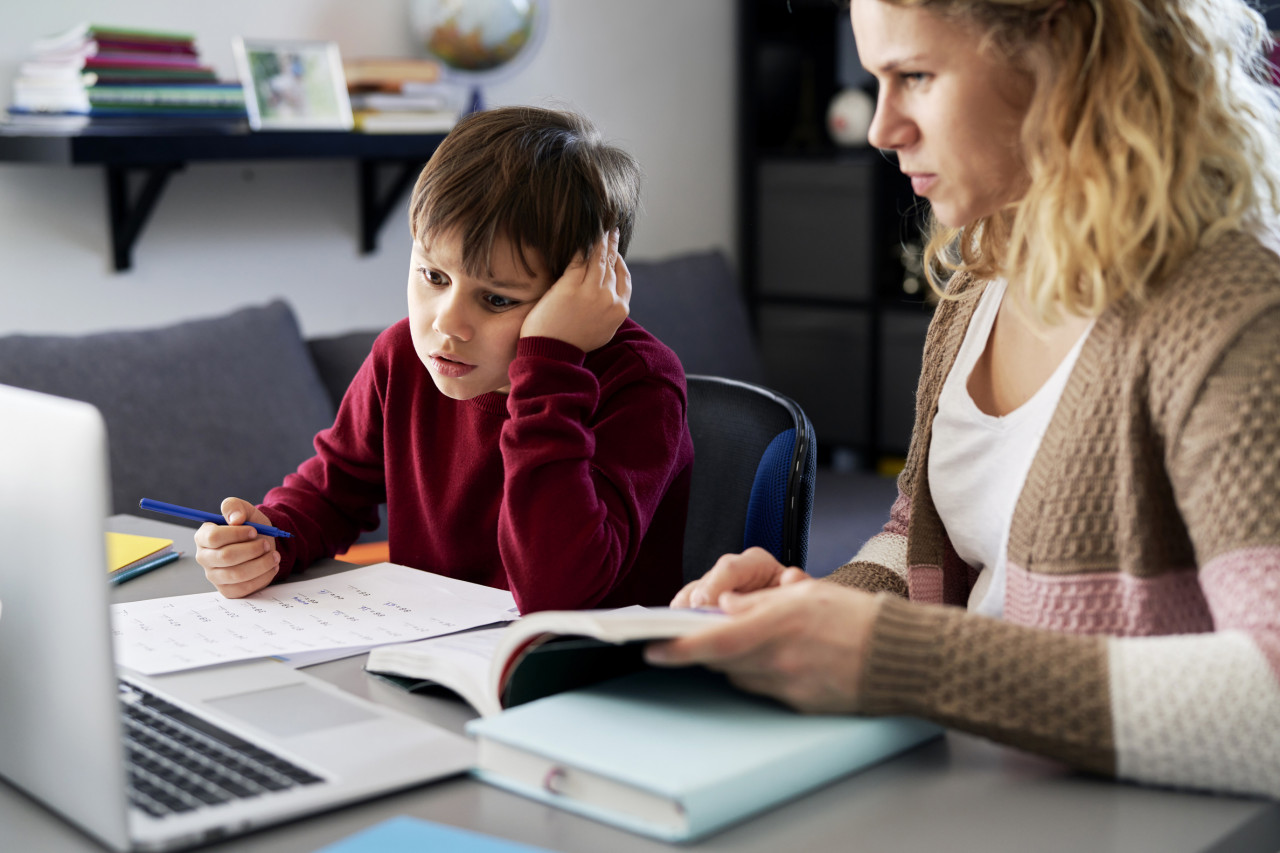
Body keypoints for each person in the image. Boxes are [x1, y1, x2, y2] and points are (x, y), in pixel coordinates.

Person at [648, 0, 1280, 799]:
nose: (881, 128)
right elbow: (919, 532)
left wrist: (899, 656)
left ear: (1064, 54)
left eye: (914, 75)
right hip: (973, 790)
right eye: (877, 79)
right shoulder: (983, 276)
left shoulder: (1231, 309)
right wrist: (810, 616)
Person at [195, 106, 695, 613]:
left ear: (580, 293)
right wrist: (268, 541)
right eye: (434, 277)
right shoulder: (401, 359)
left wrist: (550, 367)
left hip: (580, 676)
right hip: (430, 661)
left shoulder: (640, 384)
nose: (447, 324)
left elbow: (557, 593)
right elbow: (332, 491)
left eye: (498, 299)